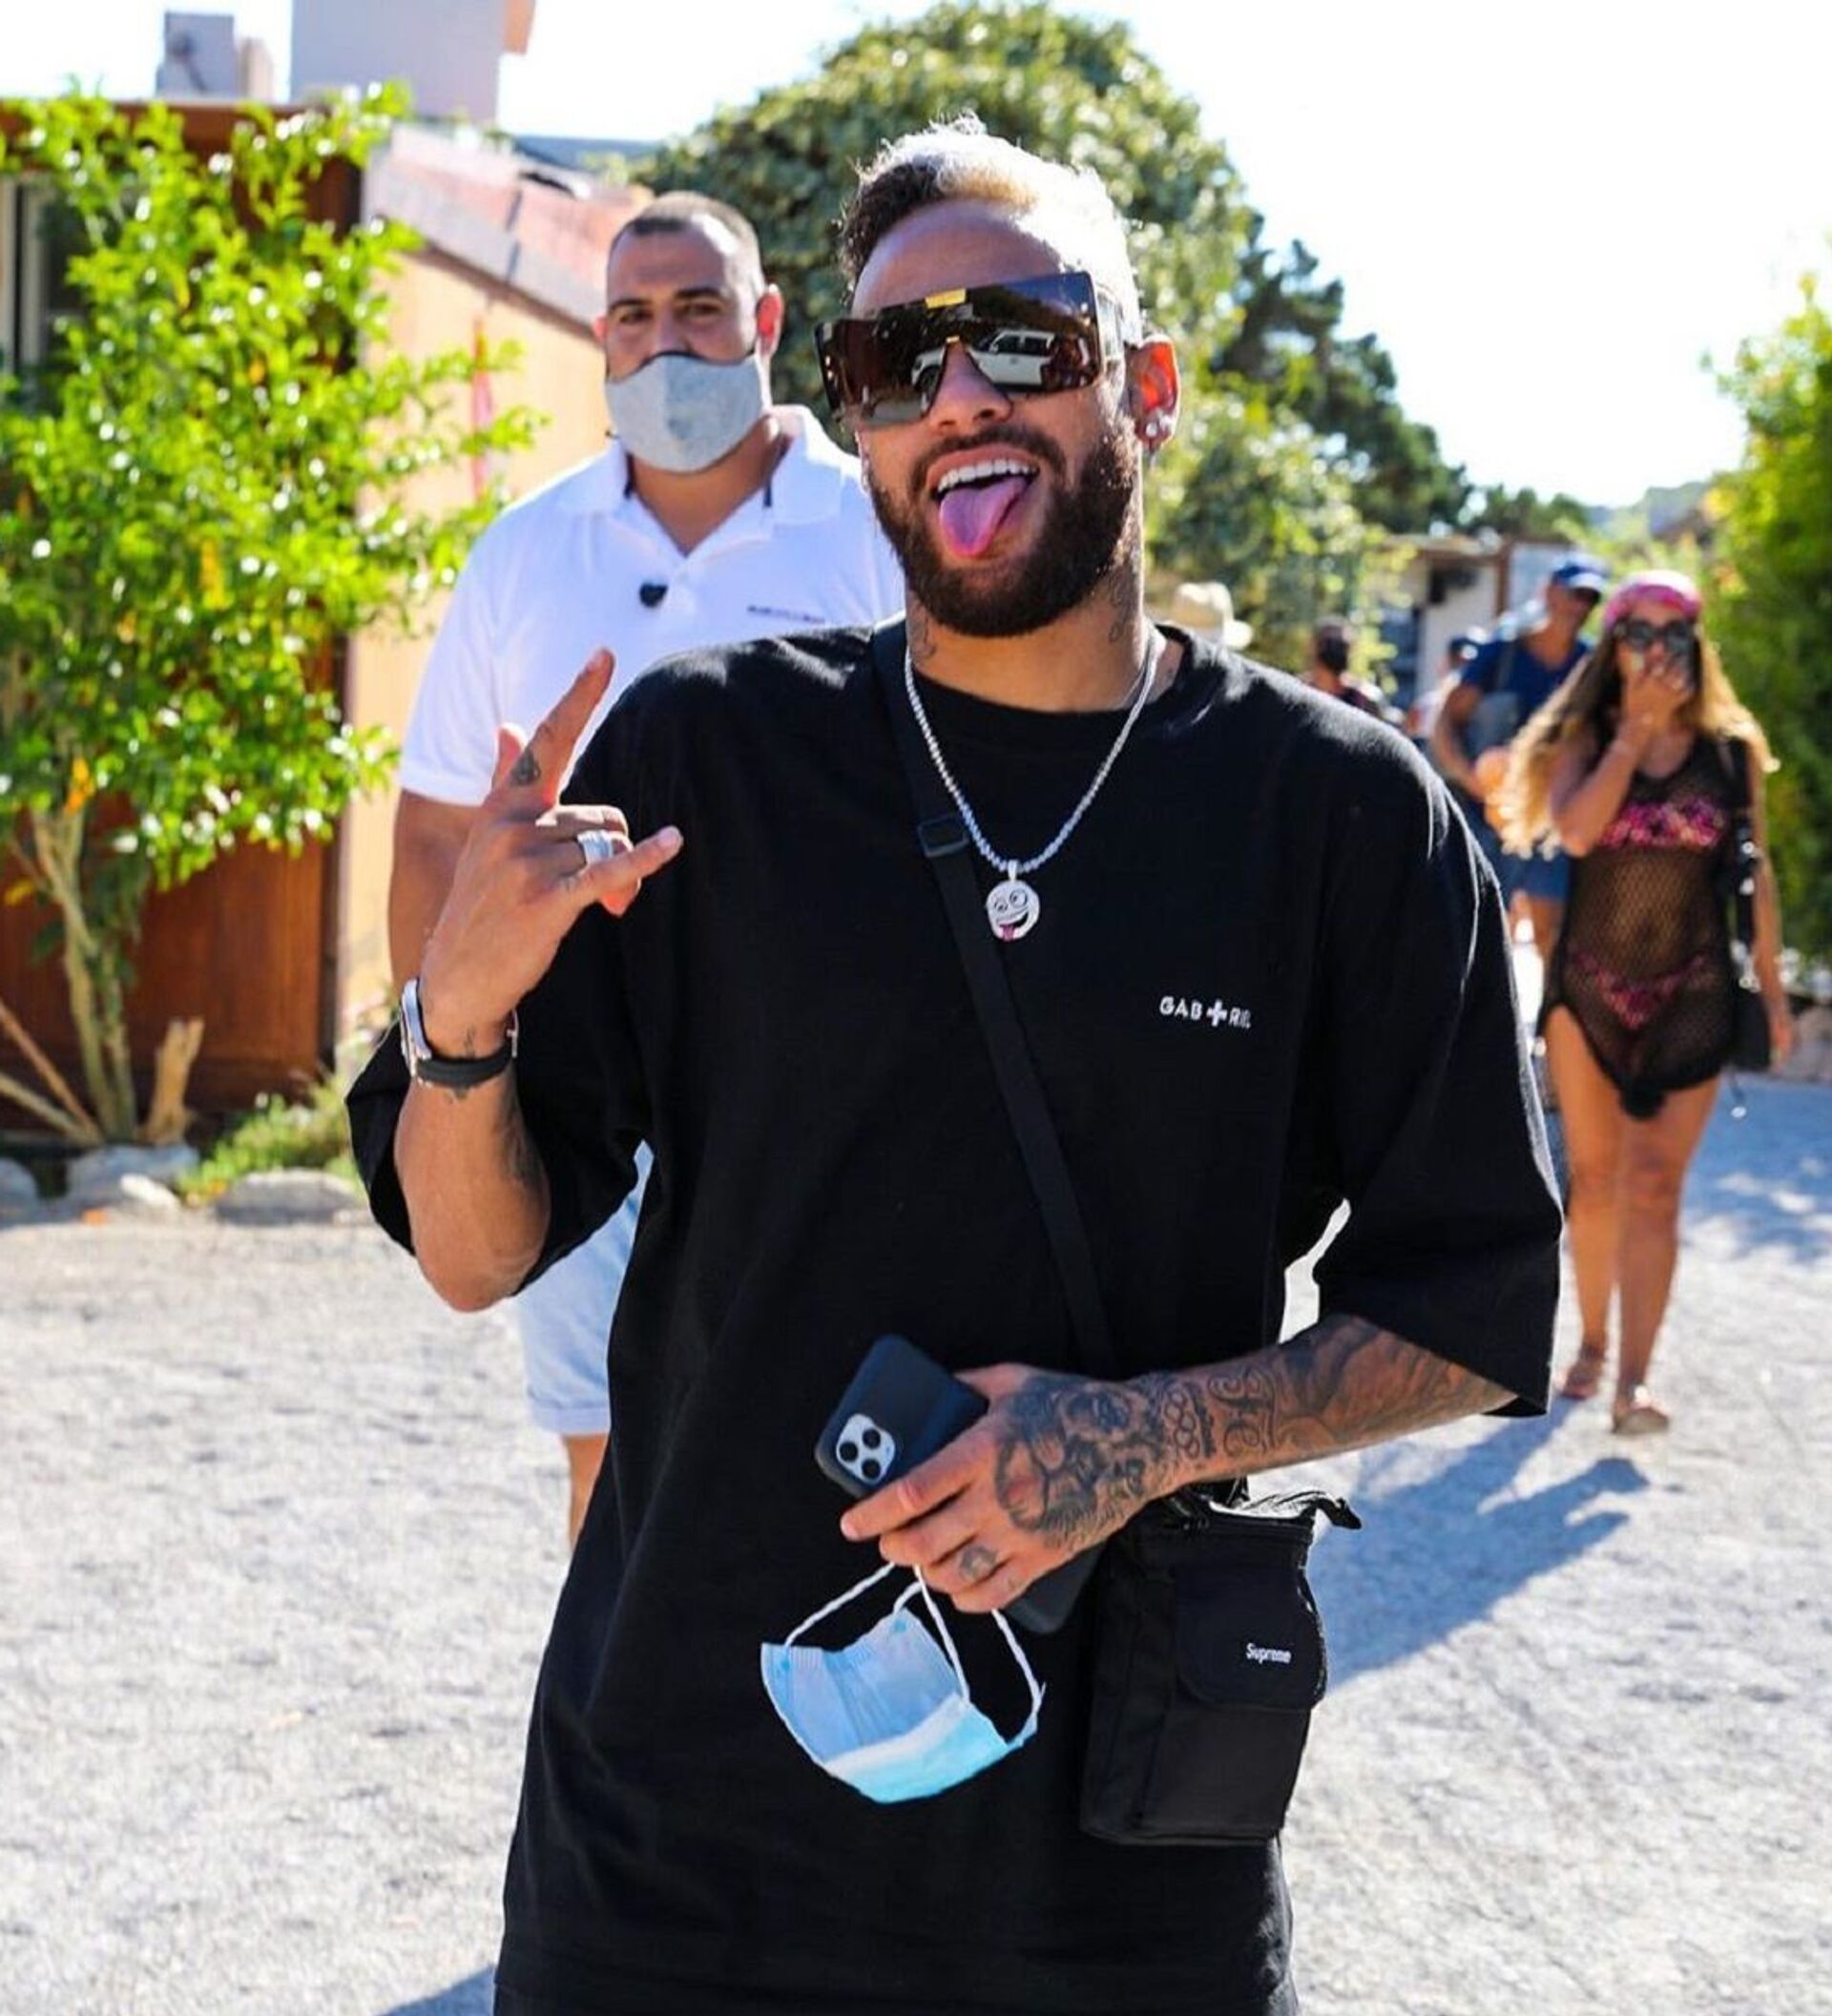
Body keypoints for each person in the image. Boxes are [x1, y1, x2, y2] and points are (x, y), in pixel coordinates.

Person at [349, 123, 1560, 2016]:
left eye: (1022, 336)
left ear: (1148, 385)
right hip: (674, 1858)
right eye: (895, 360)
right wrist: (462, 1017)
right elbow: (469, 1251)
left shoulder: (1338, 816)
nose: (961, 396)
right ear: (856, 420)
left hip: (1117, 1888)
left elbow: (1472, 1313)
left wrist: (1141, 1437)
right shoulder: (706, 763)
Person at [387, 191, 902, 1544]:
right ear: (598, 338)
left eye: (698, 309)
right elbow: (436, 830)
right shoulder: (525, 550)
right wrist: (440, 1069)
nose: (664, 344)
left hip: (824, 1100)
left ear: (767, 322)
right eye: (633, 315)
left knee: (843, 1457)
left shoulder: (877, 530)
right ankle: (610, 1689)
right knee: (612, 1463)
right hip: (583, 1088)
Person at [1496, 569, 1794, 1434]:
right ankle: (1590, 1344)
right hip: (1588, 991)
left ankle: (1634, 1381)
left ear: (1695, 646)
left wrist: (1773, 993)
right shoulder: (1583, 738)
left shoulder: (1731, 751)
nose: (1657, 650)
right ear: (1614, 648)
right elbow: (1577, 831)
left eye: (1673, 634)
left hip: (1693, 992)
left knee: (1658, 1185)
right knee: (1595, 1182)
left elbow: (1759, 876)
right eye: (1639, 633)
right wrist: (1632, 735)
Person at [1430, 556, 1607, 964]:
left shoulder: (1591, 666)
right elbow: (1447, 722)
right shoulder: (1502, 654)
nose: (1580, 606)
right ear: (1549, 592)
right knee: (1475, 932)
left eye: (1590, 599)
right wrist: (1470, 778)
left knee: (1552, 933)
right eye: (1574, 593)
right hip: (1488, 819)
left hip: (1551, 822)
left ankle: (1549, 1007)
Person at [1302, 616, 1399, 724]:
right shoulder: (1299, 694)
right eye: (1330, 643)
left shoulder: (1366, 700)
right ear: (1312, 646)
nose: (1336, 650)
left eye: (1341, 645)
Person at [1405, 628, 1485, 744]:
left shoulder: (1486, 707)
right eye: (1458, 660)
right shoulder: (1425, 705)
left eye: (1470, 663)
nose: (1464, 667)